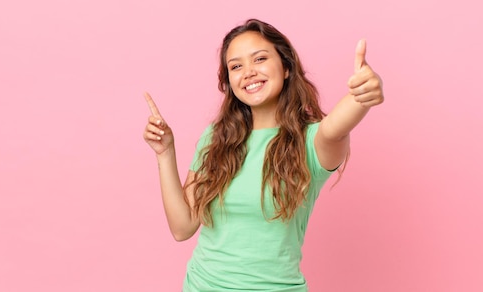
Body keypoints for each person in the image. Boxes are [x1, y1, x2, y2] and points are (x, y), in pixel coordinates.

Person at [142, 19, 384, 291]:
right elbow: (182, 227)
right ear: (229, 81)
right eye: (236, 66)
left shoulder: (312, 141)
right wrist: (165, 154)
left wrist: (363, 95)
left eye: (259, 59)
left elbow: (336, 128)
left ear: (287, 67)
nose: (248, 72)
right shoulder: (216, 138)